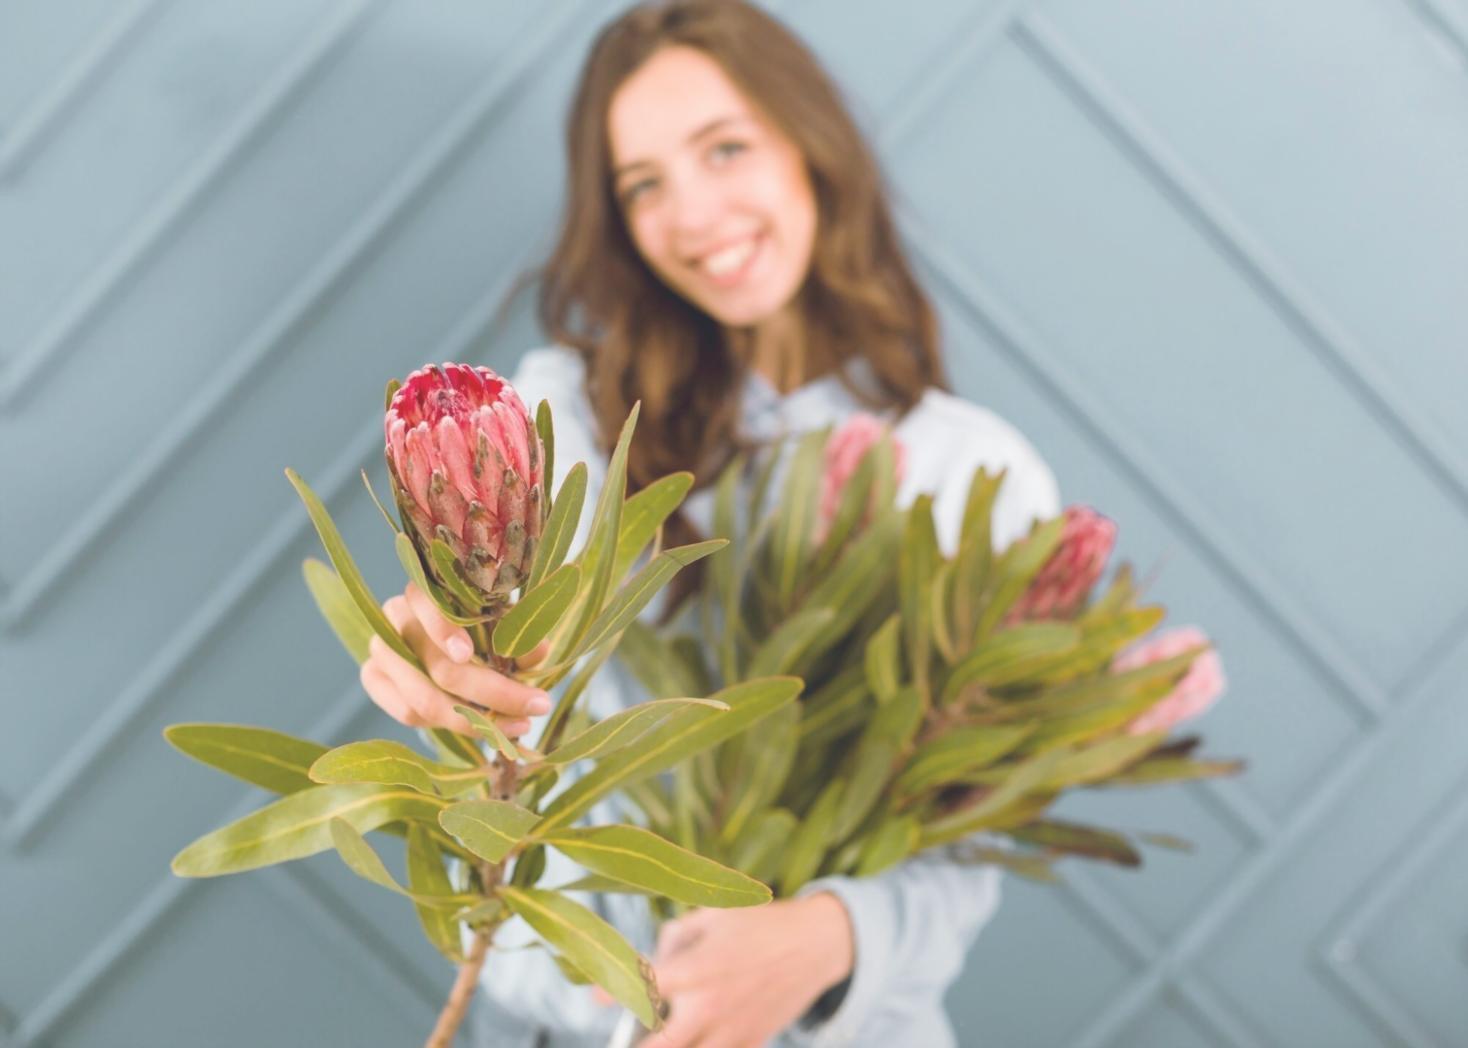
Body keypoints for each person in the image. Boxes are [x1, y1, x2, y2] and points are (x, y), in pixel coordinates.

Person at [359, 2, 1060, 1045]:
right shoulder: (565, 421)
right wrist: (452, 662)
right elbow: (513, 710)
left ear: (810, 142)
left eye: (724, 149)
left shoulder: (980, 472)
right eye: (644, 185)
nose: (692, 216)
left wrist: (832, 937)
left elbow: (968, 839)